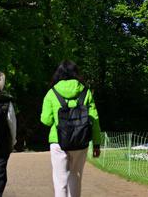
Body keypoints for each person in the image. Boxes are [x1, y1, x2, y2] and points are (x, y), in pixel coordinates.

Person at [41, 60, 102, 197]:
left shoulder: (52, 93)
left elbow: (46, 120)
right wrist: (97, 144)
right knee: (76, 176)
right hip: (81, 141)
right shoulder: (85, 92)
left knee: (60, 180)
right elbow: (95, 120)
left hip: (58, 141)